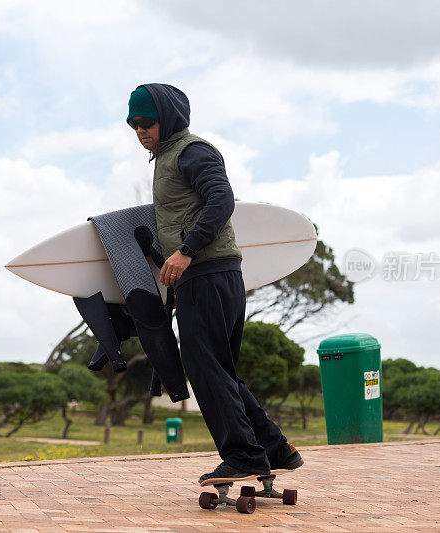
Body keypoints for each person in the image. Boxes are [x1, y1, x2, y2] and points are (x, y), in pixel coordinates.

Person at [126, 83, 303, 483]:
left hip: (208, 273)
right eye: (133, 124)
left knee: (205, 368)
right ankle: (276, 449)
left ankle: (243, 456)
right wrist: (160, 255)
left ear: (167, 118)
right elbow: (182, 218)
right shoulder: (168, 158)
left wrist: (187, 251)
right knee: (219, 369)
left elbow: (221, 199)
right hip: (208, 274)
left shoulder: (192, 151)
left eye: (147, 121)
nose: (140, 130)